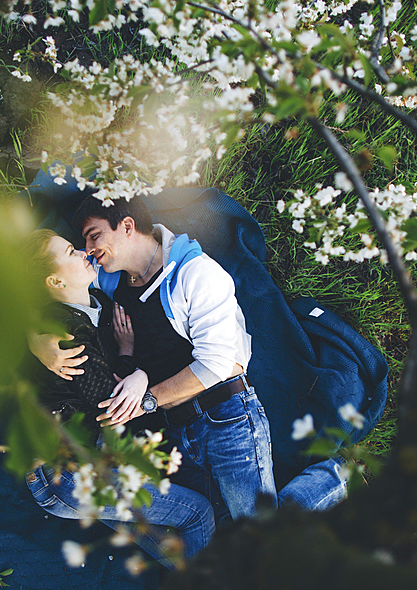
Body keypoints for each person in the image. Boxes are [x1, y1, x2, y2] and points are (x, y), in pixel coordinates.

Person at [35, 195, 277, 522]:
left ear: (127, 226)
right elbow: (54, 292)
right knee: (218, 530)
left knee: (258, 530)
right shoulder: (107, 280)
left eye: (94, 236)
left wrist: (147, 397)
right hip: (174, 433)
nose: (88, 249)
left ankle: (328, 479)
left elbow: (217, 365)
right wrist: (34, 336)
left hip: (224, 414)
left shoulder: (196, 273)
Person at [22, 229, 214, 564]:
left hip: (88, 462)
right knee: (197, 512)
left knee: (171, 544)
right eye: (71, 252)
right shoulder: (62, 335)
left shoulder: (98, 309)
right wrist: (132, 364)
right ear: (55, 282)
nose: (84, 252)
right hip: (67, 474)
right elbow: (111, 404)